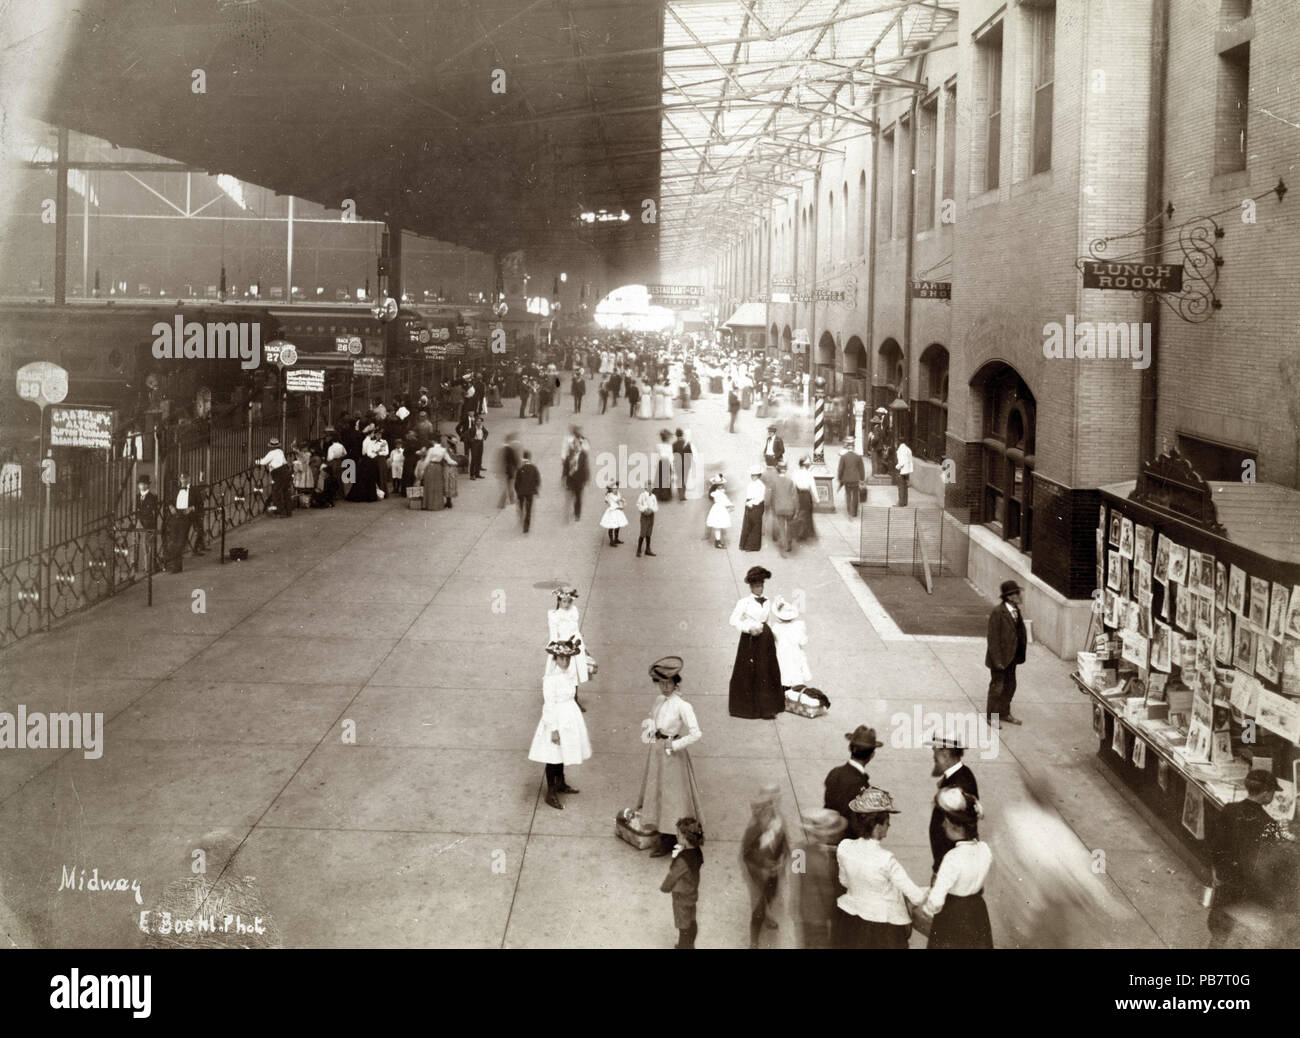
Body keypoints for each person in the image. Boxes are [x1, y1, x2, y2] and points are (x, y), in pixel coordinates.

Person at [834, 787, 927, 949]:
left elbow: (844, 881)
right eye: (887, 822)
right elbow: (917, 897)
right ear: (877, 826)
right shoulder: (886, 860)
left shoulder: (844, 847)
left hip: (851, 920)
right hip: (884, 928)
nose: (889, 826)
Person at [1208, 769, 1287, 948]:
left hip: (1225, 881)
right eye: (1273, 792)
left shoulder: (1230, 809)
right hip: (1246, 890)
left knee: (1219, 933)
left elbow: (1216, 845)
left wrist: (1215, 871)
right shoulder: (1269, 824)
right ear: (1266, 794)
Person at [637, 657, 704, 858]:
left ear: (676, 683)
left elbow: (696, 733)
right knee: (658, 791)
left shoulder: (683, 705)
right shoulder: (659, 700)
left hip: (671, 755)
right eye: (661, 683)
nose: (665, 687)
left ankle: (670, 839)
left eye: (669, 683)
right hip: (657, 751)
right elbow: (655, 717)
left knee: (672, 797)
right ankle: (661, 830)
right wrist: (650, 724)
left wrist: (674, 744)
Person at [921, 788, 994, 948]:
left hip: (952, 916)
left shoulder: (953, 857)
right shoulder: (984, 849)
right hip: (977, 912)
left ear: (955, 826)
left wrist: (927, 908)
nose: (942, 824)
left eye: (945, 821)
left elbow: (936, 900)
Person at [528, 637, 592, 809]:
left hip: (569, 716)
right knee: (553, 756)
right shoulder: (550, 679)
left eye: (568, 658)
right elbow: (549, 705)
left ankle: (561, 782)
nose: (565, 661)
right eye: (561, 658)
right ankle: (550, 792)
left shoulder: (569, 674)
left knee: (563, 752)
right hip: (556, 718)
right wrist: (554, 729)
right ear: (555, 658)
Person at [728, 566, 784, 719]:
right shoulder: (744, 602)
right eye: (757, 586)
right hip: (750, 640)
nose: (760, 589)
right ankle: (748, 707)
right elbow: (733, 620)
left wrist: (772, 635)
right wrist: (748, 628)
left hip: (765, 639)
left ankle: (768, 708)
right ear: (751, 587)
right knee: (750, 671)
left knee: (766, 670)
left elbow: (768, 620)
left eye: (762, 585)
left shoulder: (767, 602)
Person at [741, 783, 790, 948]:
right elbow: (746, 853)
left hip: (773, 870)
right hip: (758, 873)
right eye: (772, 798)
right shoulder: (754, 828)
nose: (776, 800)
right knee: (758, 908)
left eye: (777, 796)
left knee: (772, 894)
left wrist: (785, 858)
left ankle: (767, 913)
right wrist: (765, 864)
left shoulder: (778, 819)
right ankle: (754, 940)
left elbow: (784, 841)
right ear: (762, 809)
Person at [926, 734, 980, 877]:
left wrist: (940, 868)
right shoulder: (960, 775)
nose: (933, 754)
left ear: (946, 752)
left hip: (950, 866)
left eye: (935, 750)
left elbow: (959, 830)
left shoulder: (959, 784)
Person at [794, 809, 847, 949]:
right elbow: (828, 892)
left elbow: (795, 878)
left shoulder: (800, 850)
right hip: (819, 916)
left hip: (805, 911)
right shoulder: (823, 861)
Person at [986, 580, 1027, 726]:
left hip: (1012, 657)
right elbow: (993, 639)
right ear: (1009, 597)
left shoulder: (1016, 611)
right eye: (1016, 593)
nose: (1019, 596)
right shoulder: (998, 613)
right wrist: (997, 661)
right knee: (997, 688)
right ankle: (992, 717)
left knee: (1010, 686)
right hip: (1000, 659)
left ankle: (1004, 713)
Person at [660, 817, 705, 950]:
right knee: (691, 920)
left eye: (678, 835)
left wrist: (665, 887)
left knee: (683, 926)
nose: (677, 837)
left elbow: (673, 875)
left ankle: (683, 946)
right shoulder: (697, 852)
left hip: (681, 896)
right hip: (692, 892)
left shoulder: (682, 861)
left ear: (685, 838)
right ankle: (690, 945)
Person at [824, 726, 883, 827]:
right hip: (847, 838)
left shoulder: (834, 772)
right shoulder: (861, 784)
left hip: (829, 831)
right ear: (872, 755)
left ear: (849, 748)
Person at [770, 597, 811, 694]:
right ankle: (796, 692)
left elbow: (775, 641)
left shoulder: (776, 627)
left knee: (784, 672)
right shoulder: (798, 626)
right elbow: (803, 641)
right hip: (795, 653)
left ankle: (784, 693)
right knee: (796, 672)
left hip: (782, 653)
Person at [768, 461, 798, 556]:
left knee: (781, 527)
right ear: (786, 469)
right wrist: (796, 509)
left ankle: (785, 545)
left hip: (779, 507)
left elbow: (772, 496)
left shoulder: (774, 482)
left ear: (778, 469)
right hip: (789, 507)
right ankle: (788, 542)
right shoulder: (790, 481)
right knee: (789, 526)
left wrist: (773, 508)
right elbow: (794, 497)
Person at [257, 438, 292, 517]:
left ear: (271, 446)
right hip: (286, 470)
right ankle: (288, 510)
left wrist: (257, 461)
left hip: (278, 473)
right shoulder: (280, 451)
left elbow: (263, 462)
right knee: (286, 491)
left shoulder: (271, 453)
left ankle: (281, 511)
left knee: (276, 492)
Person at [562, 428, 590, 522]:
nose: (576, 446)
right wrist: (563, 477)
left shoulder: (583, 455)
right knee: (569, 498)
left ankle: (577, 514)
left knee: (578, 498)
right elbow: (565, 467)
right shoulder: (569, 455)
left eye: (578, 445)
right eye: (575, 445)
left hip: (579, 480)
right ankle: (567, 515)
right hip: (570, 479)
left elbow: (586, 468)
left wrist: (586, 479)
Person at [174, 472, 205, 556]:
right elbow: (171, 501)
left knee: (196, 530)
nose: (183, 480)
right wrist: (171, 507)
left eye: (185, 478)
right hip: (178, 514)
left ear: (189, 479)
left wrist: (191, 508)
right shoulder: (177, 489)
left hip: (190, 515)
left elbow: (200, 504)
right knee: (177, 534)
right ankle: (180, 551)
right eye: (182, 479)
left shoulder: (194, 490)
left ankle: (194, 548)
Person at [134, 474, 160, 572]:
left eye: (145, 484)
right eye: (141, 484)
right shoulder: (136, 497)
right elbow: (130, 509)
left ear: (148, 485)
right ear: (138, 485)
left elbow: (153, 511)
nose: (143, 486)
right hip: (137, 522)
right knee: (134, 543)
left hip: (147, 523)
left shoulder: (152, 497)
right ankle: (134, 565)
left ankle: (148, 567)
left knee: (147, 545)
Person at [836, 438, 865, 518]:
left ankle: (849, 510)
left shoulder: (843, 457)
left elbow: (840, 469)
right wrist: (862, 479)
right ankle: (854, 512)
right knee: (855, 495)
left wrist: (839, 478)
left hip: (846, 479)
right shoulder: (858, 457)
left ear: (847, 447)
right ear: (853, 447)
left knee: (848, 494)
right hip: (855, 479)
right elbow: (861, 469)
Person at [791, 455, 818, 543]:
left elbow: (793, 485)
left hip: (798, 494)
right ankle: (804, 534)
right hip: (806, 495)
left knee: (798, 513)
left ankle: (798, 533)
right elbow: (813, 487)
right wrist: (817, 499)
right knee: (806, 514)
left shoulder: (795, 473)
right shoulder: (809, 474)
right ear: (806, 465)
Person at [739, 465, 765, 551]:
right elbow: (748, 495)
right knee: (747, 524)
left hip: (757, 506)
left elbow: (760, 498)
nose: (753, 476)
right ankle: (744, 544)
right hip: (749, 504)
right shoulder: (750, 484)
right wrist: (747, 502)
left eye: (755, 475)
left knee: (755, 525)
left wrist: (752, 503)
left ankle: (752, 546)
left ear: (759, 475)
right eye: (752, 475)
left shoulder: (761, 485)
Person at [515, 449, 540, 532]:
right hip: (530, 492)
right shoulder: (534, 468)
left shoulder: (520, 468)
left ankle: (521, 513)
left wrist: (517, 490)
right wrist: (535, 488)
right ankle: (526, 526)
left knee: (521, 504)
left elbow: (517, 482)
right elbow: (537, 480)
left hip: (521, 492)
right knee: (529, 509)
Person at [705, 474, 733, 549]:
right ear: (716, 486)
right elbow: (724, 501)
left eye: (721, 484)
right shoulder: (718, 493)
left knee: (718, 526)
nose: (721, 486)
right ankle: (718, 542)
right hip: (719, 509)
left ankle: (718, 541)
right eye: (719, 485)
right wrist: (730, 505)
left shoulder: (719, 492)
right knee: (718, 526)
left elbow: (724, 500)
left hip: (719, 508)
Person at [599, 482, 628, 547]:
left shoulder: (618, 494)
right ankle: (611, 541)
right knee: (611, 526)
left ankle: (616, 539)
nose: (616, 490)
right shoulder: (610, 495)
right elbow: (615, 500)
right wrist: (621, 502)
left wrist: (622, 504)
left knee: (618, 525)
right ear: (611, 489)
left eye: (616, 488)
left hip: (618, 511)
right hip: (612, 512)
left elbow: (620, 500)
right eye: (614, 488)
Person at [497, 432, 520, 508]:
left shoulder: (501, 448)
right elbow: (515, 460)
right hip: (509, 471)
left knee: (505, 487)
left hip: (503, 471)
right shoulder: (510, 449)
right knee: (510, 486)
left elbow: (499, 460)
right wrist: (517, 468)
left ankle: (502, 503)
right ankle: (511, 500)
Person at [636, 483, 658, 558]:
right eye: (650, 487)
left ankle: (647, 549)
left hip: (651, 515)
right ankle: (638, 549)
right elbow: (638, 504)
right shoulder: (642, 496)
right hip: (644, 515)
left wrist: (652, 510)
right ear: (646, 488)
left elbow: (656, 506)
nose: (651, 488)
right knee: (643, 532)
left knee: (649, 532)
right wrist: (644, 509)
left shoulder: (653, 496)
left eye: (652, 487)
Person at [654, 430, 674, 502]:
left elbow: (658, 455)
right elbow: (671, 457)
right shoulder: (670, 447)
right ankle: (665, 495)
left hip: (661, 462)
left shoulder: (658, 446)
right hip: (667, 463)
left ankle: (659, 494)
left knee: (660, 478)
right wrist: (672, 467)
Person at [672, 429, 692, 502]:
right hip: (686, 464)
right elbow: (690, 454)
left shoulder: (674, 444)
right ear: (682, 435)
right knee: (684, 479)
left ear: (676, 435)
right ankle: (682, 494)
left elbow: (673, 454)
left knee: (679, 478)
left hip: (678, 464)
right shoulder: (687, 443)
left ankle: (680, 493)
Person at [467, 415, 488, 479]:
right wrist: (471, 440)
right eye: (478, 421)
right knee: (474, 459)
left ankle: (477, 474)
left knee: (479, 458)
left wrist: (484, 438)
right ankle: (472, 475)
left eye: (480, 421)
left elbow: (486, 432)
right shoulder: (473, 428)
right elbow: (467, 434)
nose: (479, 423)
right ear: (475, 422)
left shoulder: (482, 427)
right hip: (475, 443)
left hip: (480, 443)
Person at [894, 438, 913, 507]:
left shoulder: (900, 450)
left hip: (902, 471)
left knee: (901, 487)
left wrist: (897, 467)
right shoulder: (908, 449)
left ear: (898, 443)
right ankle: (905, 502)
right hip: (907, 471)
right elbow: (910, 461)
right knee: (905, 487)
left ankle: (900, 503)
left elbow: (901, 462)